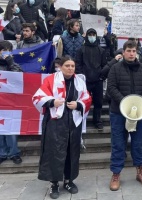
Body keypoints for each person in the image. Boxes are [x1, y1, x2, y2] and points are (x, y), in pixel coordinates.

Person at [32, 56, 92, 199]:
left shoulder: (79, 81)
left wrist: (79, 105)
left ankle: (68, 181)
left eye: (72, 66)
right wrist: (52, 101)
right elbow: (37, 97)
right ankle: (54, 183)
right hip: (55, 121)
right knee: (54, 151)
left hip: (73, 121)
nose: (71, 68)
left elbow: (87, 98)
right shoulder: (51, 79)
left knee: (72, 151)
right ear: (60, 66)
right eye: (67, 65)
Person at [107, 40, 142, 191]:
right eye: (129, 51)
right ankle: (116, 174)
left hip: (138, 113)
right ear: (123, 52)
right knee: (118, 144)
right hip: (118, 113)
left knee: (138, 143)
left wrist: (138, 102)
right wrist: (126, 103)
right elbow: (111, 88)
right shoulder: (115, 68)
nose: (132, 54)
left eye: (134, 51)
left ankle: (141, 172)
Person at [75, 28, 107, 131]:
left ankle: (97, 120)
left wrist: (102, 76)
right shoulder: (81, 50)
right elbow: (78, 64)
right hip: (85, 81)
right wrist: (82, 76)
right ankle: (81, 119)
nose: (92, 36)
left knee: (98, 102)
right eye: (90, 34)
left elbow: (104, 65)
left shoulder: (101, 50)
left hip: (98, 80)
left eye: (94, 34)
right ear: (87, 36)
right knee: (84, 101)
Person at [0, 40, 23, 165]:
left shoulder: (13, 64)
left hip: (10, 101)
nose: (6, 53)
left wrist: (10, 62)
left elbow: (19, 76)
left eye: (8, 51)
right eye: (4, 51)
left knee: (11, 128)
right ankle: (2, 153)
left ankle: (14, 153)